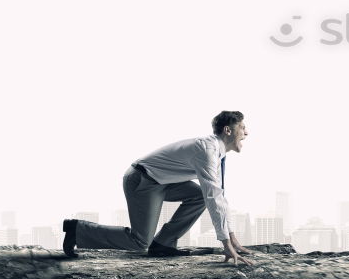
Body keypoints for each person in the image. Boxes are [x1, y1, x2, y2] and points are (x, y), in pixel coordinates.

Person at [62, 111, 254, 266]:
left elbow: (218, 197)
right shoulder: (207, 151)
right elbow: (214, 197)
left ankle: (164, 243)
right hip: (143, 179)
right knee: (139, 243)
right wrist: (225, 244)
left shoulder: (217, 153)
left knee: (199, 196)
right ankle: (77, 229)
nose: (246, 133)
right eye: (243, 128)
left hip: (162, 181)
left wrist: (232, 238)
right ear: (228, 130)